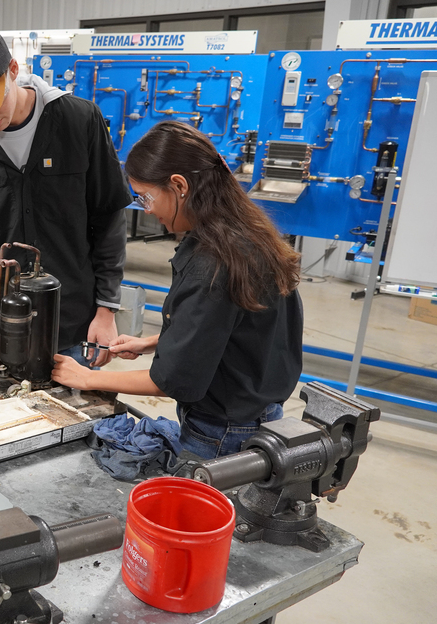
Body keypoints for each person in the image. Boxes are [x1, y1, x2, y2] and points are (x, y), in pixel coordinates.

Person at [52, 120, 304, 459]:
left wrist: (87, 378)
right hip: (257, 417)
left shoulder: (212, 265)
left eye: (146, 197)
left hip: (221, 433)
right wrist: (153, 343)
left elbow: (171, 380)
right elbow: (232, 331)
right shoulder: (247, 235)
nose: (147, 209)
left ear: (179, 185)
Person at [0, 25, 132, 374]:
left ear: (13, 70)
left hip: (74, 325)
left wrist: (106, 309)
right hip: (0, 327)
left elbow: (108, 219)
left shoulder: (79, 121)